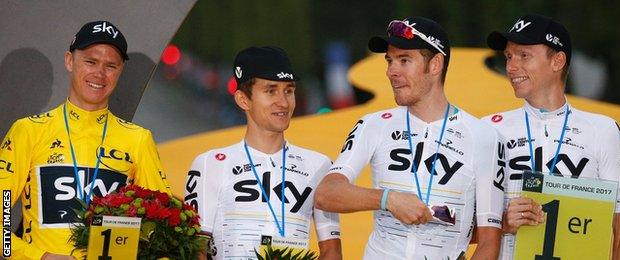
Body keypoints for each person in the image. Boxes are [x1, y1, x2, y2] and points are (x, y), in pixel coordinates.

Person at [314, 16, 505, 259]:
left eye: (404, 60)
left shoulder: (483, 135)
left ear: (435, 64)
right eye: (390, 60)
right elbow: (326, 194)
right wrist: (388, 199)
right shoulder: (373, 124)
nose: (391, 71)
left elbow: (489, 242)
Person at [0, 20, 171, 259]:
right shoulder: (28, 131)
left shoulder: (138, 139)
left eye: (111, 66)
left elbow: (165, 230)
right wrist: (39, 256)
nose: (99, 74)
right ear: (70, 61)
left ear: (121, 70)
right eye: (90, 61)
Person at [483, 13, 620, 259]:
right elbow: (458, 225)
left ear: (558, 61)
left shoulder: (604, 130)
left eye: (524, 56)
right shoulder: (488, 129)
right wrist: (502, 223)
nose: (511, 67)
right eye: (508, 57)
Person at [184, 46, 342, 260]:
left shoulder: (320, 165)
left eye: (289, 90)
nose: (283, 102)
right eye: (271, 90)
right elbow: (195, 250)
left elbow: (332, 251)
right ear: (243, 100)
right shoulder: (209, 164)